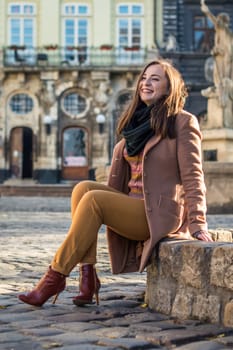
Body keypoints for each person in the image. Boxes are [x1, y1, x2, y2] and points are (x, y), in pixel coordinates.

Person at [18, 59, 213, 308]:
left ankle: (54, 277)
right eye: (144, 78)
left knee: (93, 200)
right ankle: (88, 276)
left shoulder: (182, 122)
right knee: (83, 188)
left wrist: (198, 223)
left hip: (157, 212)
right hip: (131, 206)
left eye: (155, 79)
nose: (146, 83)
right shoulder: (134, 125)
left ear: (169, 87)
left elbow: (193, 175)